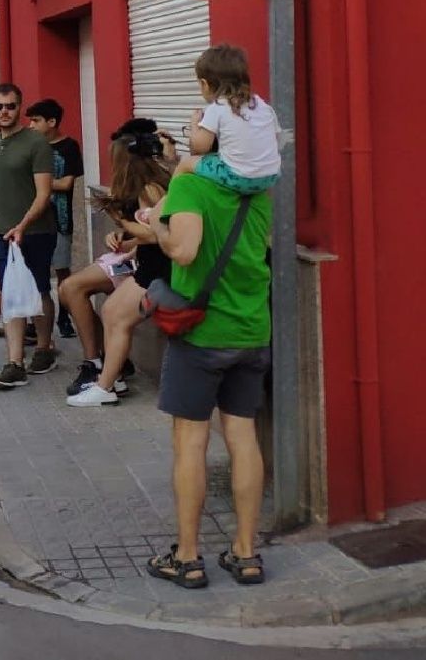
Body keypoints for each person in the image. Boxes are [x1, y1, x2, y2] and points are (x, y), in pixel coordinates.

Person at [139, 151, 273, 590]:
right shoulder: (260, 189)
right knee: (243, 436)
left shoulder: (190, 187)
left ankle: (188, 557)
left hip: (202, 334)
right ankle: (246, 551)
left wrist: (159, 225)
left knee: (190, 442)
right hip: (251, 328)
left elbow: (183, 250)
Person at [66, 121, 173, 406]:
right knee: (113, 312)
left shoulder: (150, 189)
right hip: (149, 267)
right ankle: (109, 381)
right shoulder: (149, 185)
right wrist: (124, 239)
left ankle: (105, 386)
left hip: (159, 271)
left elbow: (156, 234)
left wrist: (122, 221)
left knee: (117, 316)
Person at [0, 84, 58, 390]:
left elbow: (44, 194)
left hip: (36, 230)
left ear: (19, 107)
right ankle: (15, 363)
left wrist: (23, 225)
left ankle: (44, 347)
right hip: (0, 230)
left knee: (39, 288)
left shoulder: (36, 143)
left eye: (11, 106)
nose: (5, 112)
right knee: (10, 293)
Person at [181, 44, 282, 196]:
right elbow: (275, 137)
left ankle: (166, 208)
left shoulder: (218, 106)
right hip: (270, 176)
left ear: (204, 84)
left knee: (185, 164)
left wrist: (194, 125)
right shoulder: (262, 105)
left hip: (237, 177)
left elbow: (200, 147)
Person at [28, 99, 84, 339]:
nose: (31, 125)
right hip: (33, 219)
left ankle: (64, 315)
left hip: (60, 219)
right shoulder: (30, 146)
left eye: (36, 120)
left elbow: (67, 183)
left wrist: (39, 182)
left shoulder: (69, 147)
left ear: (51, 122)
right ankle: (36, 320)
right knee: (35, 271)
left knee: (62, 270)